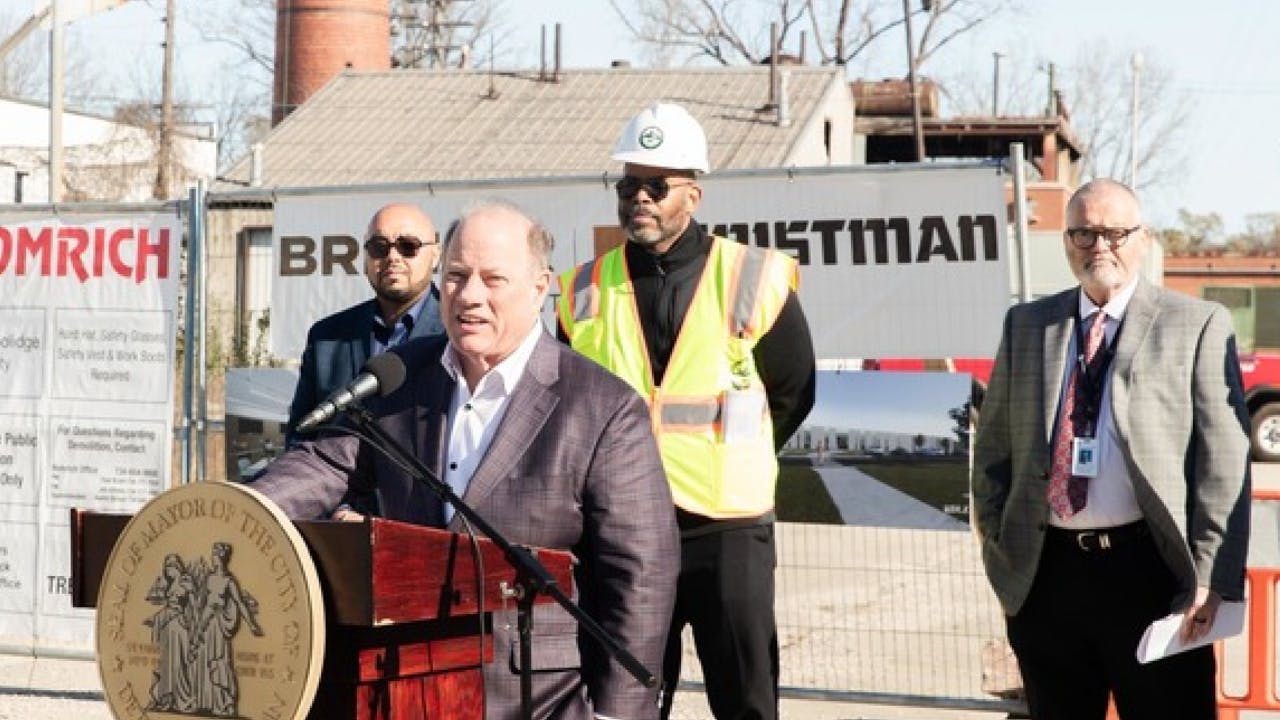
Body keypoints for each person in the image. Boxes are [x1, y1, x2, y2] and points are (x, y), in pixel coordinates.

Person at [252, 199, 679, 720]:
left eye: (493, 279)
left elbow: (640, 574)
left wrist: (617, 713)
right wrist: (242, 510)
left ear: (539, 287)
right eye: (455, 276)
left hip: (537, 698)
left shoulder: (602, 407)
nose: (469, 296)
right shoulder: (401, 373)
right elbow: (326, 462)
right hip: (404, 684)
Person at [556, 102, 815, 720]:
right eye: (628, 185)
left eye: (655, 185)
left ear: (692, 195)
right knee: (624, 697)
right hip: (623, 527)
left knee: (745, 699)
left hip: (727, 527)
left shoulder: (753, 276)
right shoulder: (582, 290)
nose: (638, 198)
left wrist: (734, 461)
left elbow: (794, 391)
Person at [971, 178, 1251, 720]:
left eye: (1115, 232)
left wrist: (1211, 578)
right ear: (1067, 242)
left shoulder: (1195, 324)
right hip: (1045, 579)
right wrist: (1000, 555)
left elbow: (1223, 464)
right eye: (1083, 233)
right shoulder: (1029, 324)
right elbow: (994, 451)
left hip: (1151, 574)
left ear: (1142, 238)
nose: (1100, 246)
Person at [286, 202, 446, 444]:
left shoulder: (457, 333)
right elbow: (301, 435)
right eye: (379, 247)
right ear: (365, 259)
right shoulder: (327, 337)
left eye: (408, 247)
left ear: (435, 255)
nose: (393, 257)